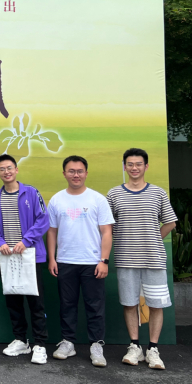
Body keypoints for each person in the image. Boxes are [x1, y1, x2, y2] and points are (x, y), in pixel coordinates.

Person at [107, 148, 177, 370]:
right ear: (124, 166)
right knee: (130, 303)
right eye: (130, 164)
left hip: (153, 259)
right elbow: (107, 226)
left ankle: (153, 349)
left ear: (146, 166)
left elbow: (170, 222)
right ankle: (134, 346)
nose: (134, 168)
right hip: (125, 259)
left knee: (156, 304)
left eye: (138, 164)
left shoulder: (158, 193)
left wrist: (153, 239)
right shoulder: (114, 194)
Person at [47, 155, 114, 367]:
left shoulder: (97, 199)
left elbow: (107, 232)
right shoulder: (57, 199)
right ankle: (68, 342)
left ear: (86, 173)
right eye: (71, 171)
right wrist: (52, 258)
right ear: (64, 173)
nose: (75, 175)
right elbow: (51, 231)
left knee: (95, 306)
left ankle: (96, 345)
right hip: (65, 261)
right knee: (67, 305)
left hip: (92, 262)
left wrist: (104, 260)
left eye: (79, 171)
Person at [0, 154, 50, 365]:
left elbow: (43, 220)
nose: (6, 172)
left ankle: (40, 344)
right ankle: (21, 340)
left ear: (16, 169)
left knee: (36, 302)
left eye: (9, 168)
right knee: (13, 301)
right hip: (7, 257)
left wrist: (26, 241)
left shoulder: (31, 192)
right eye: (2, 169)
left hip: (30, 256)